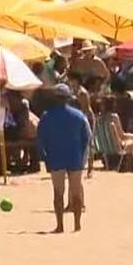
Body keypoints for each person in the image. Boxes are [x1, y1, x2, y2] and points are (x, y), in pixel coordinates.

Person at [37, 84, 91, 233]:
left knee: (58, 192)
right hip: (75, 157)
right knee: (75, 192)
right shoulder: (79, 116)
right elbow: (87, 138)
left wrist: (44, 158)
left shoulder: (47, 116)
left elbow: (40, 140)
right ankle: (77, 224)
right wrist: (83, 156)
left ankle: (60, 225)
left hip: (55, 157)